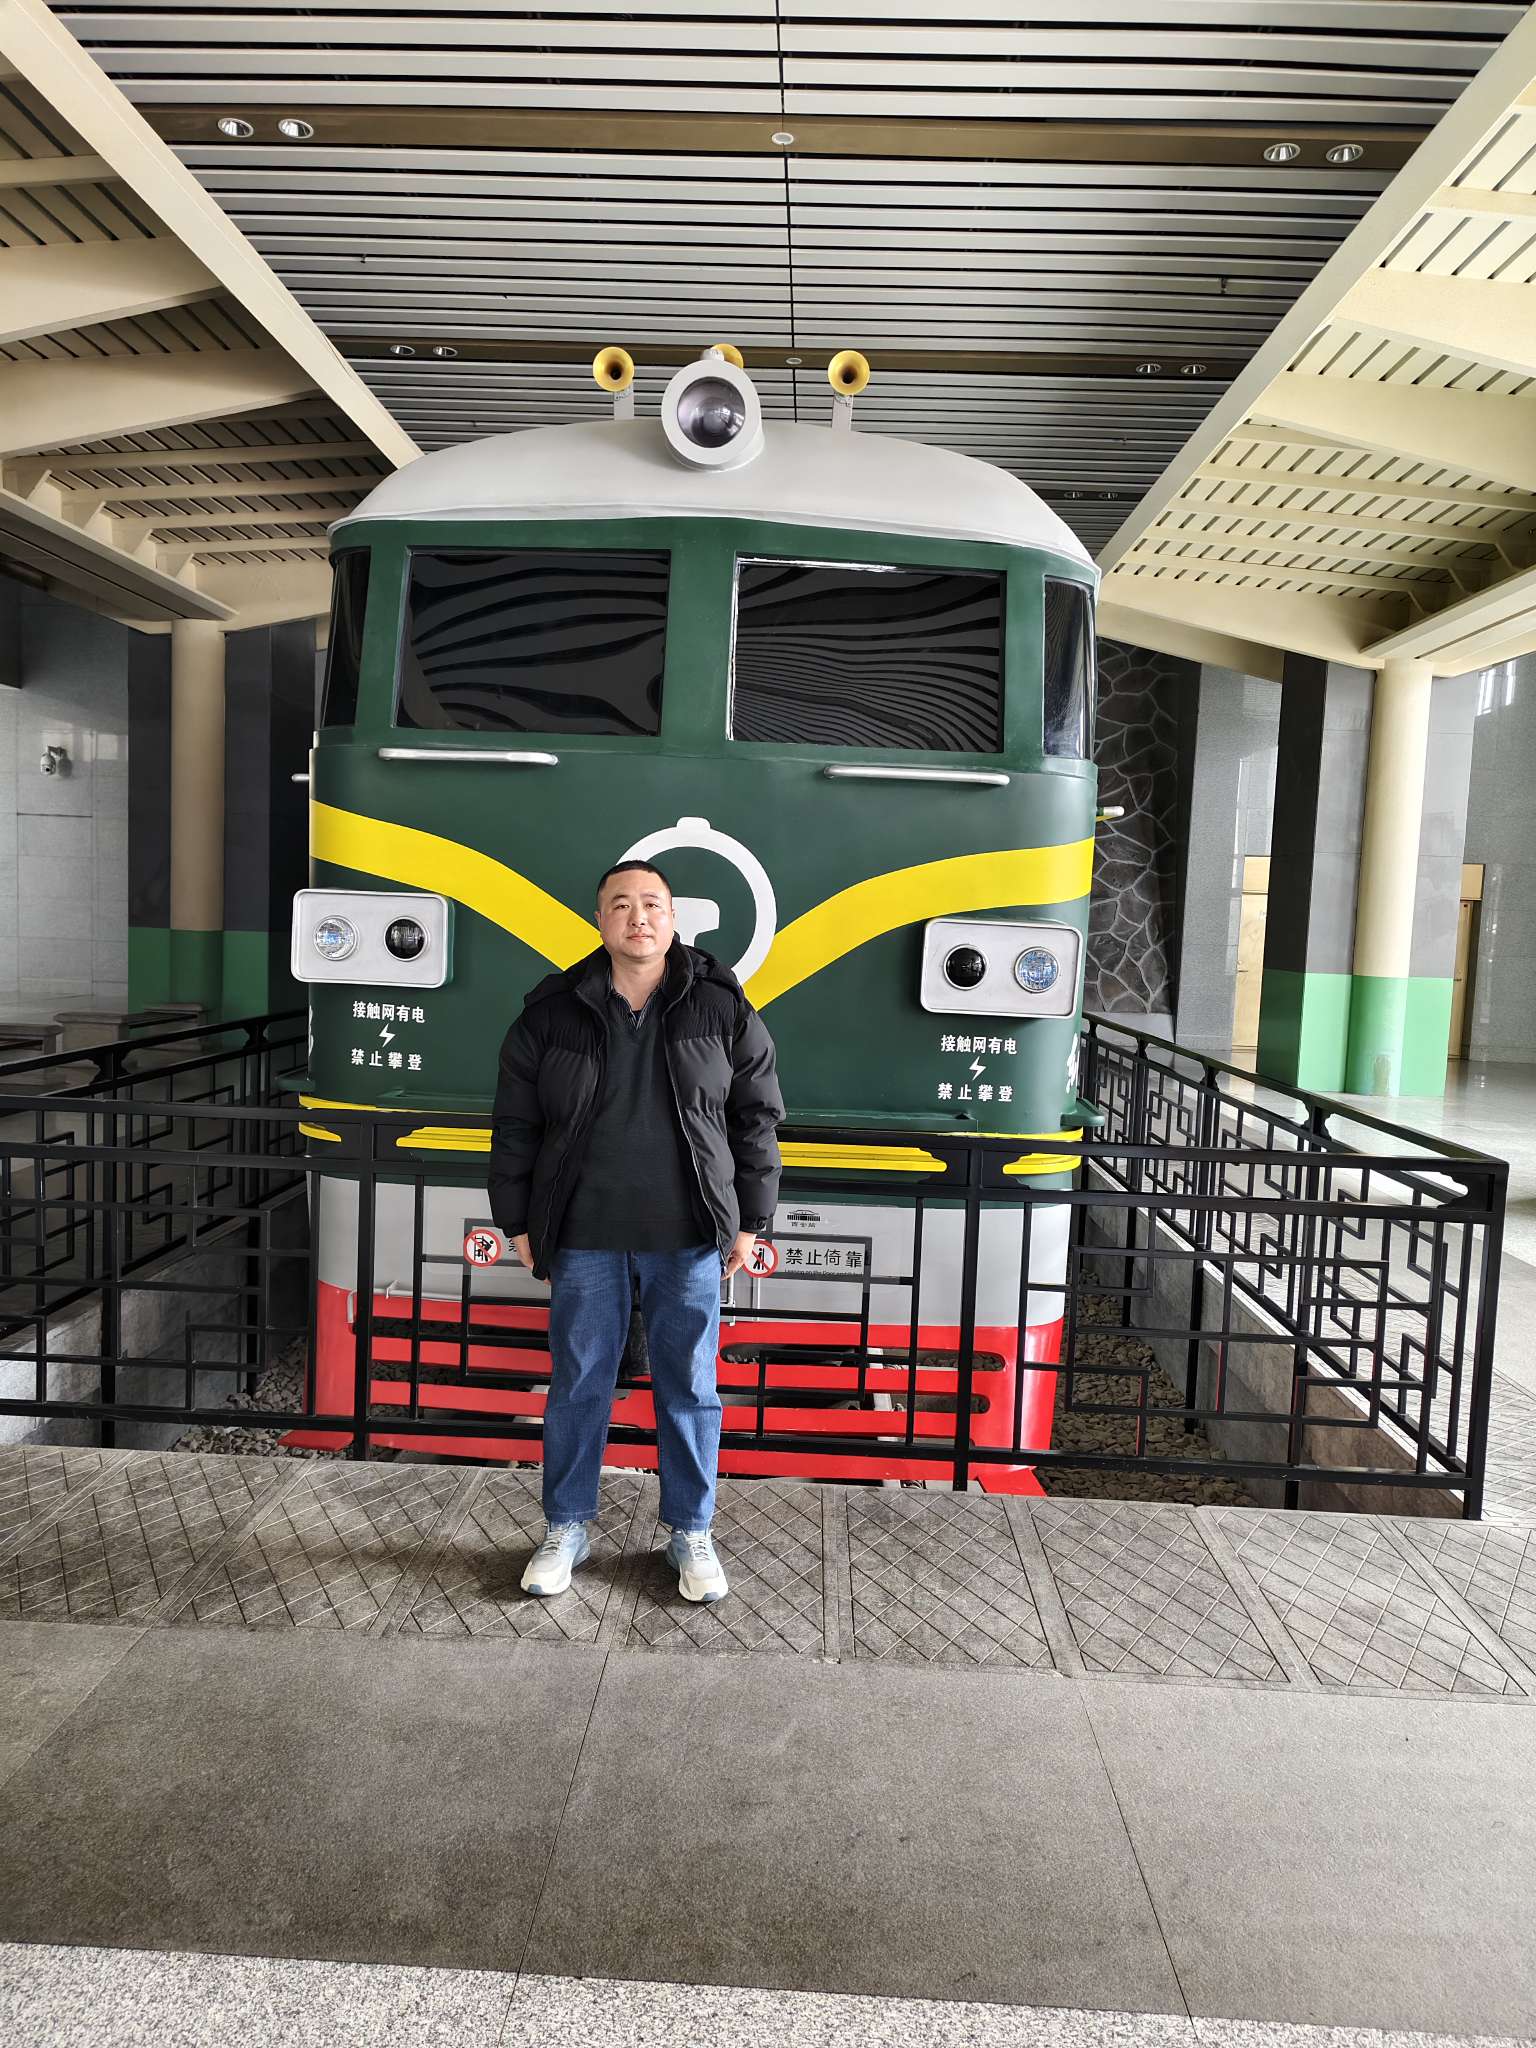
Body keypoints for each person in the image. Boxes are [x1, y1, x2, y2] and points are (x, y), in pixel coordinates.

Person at [488, 859, 783, 1605]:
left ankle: (691, 1531)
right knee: (579, 1383)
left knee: (689, 1387)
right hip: (584, 1233)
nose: (638, 917)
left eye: (652, 904)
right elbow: (515, 1126)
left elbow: (756, 1118)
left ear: (674, 919)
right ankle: (566, 1528)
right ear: (600, 921)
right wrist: (516, 1220)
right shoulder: (553, 1012)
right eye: (621, 905)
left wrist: (751, 1219)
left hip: (688, 1234)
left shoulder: (720, 1006)